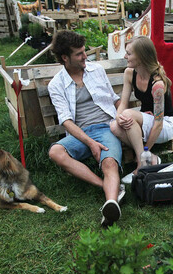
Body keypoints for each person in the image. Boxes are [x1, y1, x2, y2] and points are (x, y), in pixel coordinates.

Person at [48, 30, 125, 226]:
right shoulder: (56, 84)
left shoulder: (96, 70)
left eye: (85, 51)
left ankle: (110, 203)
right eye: (79, 54)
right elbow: (66, 121)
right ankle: (111, 189)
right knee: (55, 152)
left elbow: (114, 99)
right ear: (65, 58)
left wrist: (125, 117)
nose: (85, 57)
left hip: (107, 127)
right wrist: (90, 143)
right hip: (80, 133)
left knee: (109, 163)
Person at [110, 36, 173, 184]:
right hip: (147, 119)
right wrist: (118, 117)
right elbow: (123, 103)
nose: (125, 56)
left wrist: (146, 150)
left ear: (141, 57)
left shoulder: (157, 84)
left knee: (128, 115)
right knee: (114, 126)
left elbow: (159, 124)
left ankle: (142, 164)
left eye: (129, 53)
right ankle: (152, 159)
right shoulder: (130, 73)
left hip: (164, 126)